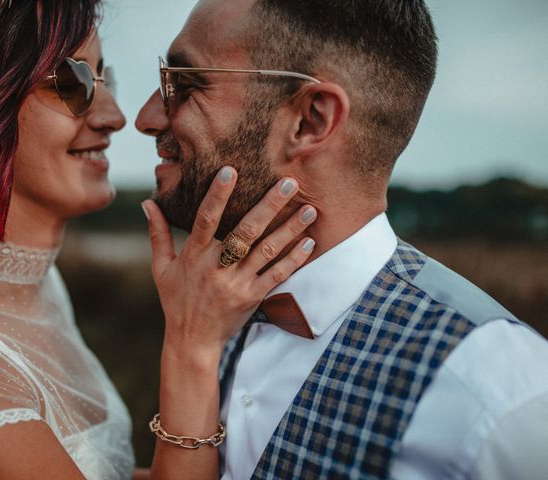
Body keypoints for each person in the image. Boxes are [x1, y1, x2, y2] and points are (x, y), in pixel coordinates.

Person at [136, 0, 548, 478]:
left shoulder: (500, 401)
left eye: (183, 85)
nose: (147, 117)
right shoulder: (202, 306)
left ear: (310, 121)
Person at [0, 1, 317, 479]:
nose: (115, 117)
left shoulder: (41, 289)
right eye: (71, 81)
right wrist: (193, 346)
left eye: (106, 80)